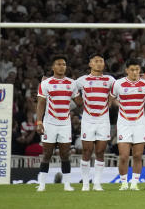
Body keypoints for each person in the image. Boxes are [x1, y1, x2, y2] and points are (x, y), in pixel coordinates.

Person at [36, 55, 78, 192]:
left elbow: (79, 102)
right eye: (59, 64)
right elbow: (41, 103)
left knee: (65, 154)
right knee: (47, 153)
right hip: (49, 123)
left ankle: (67, 184)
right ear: (53, 67)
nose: (62, 66)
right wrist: (39, 121)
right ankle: (42, 184)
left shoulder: (72, 83)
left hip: (65, 124)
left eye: (64, 64)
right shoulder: (45, 83)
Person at [74, 54, 115, 191]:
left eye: (101, 61)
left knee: (100, 151)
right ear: (90, 64)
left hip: (103, 120)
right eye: (96, 61)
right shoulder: (82, 80)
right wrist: (79, 101)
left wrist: (109, 101)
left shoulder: (110, 80)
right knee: (86, 150)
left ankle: (97, 183)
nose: (99, 63)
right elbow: (70, 89)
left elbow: (116, 92)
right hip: (88, 120)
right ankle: (85, 183)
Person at [111, 59, 145, 191]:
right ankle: (124, 183)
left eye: (137, 70)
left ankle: (134, 183)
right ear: (127, 70)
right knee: (123, 156)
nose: (135, 72)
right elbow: (112, 99)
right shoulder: (118, 84)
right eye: (132, 70)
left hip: (139, 123)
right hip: (124, 122)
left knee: (137, 155)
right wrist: (119, 104)